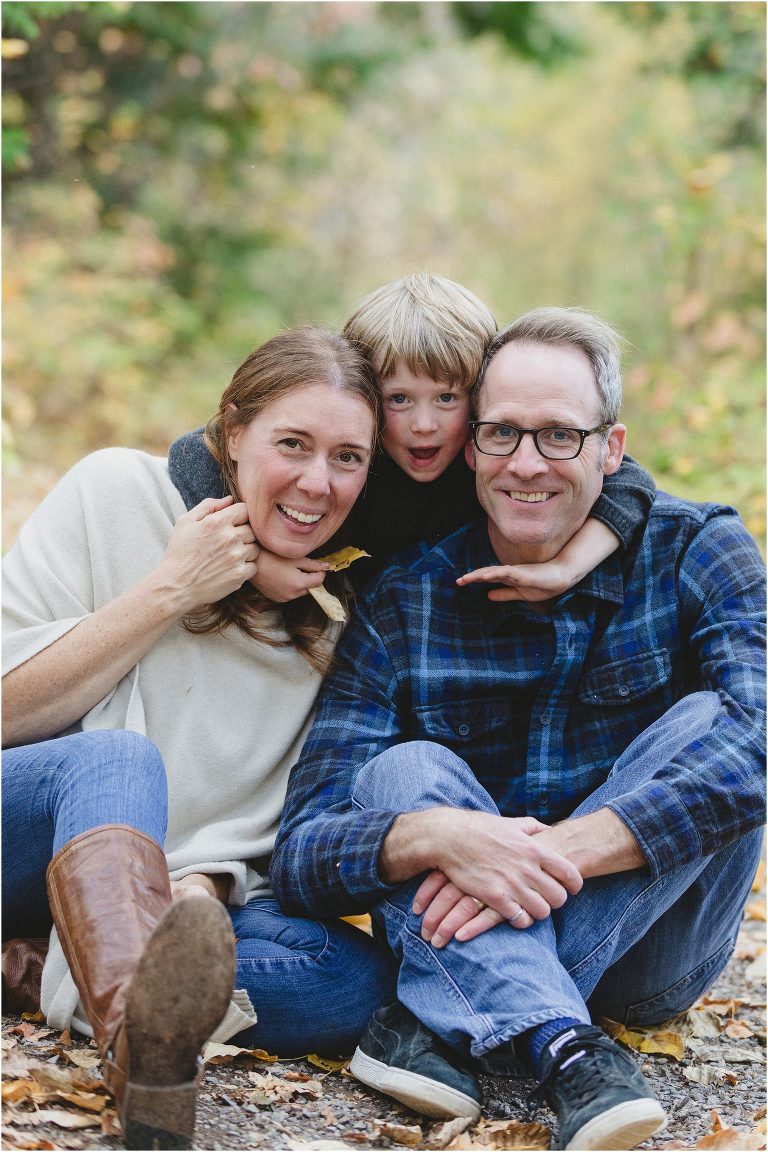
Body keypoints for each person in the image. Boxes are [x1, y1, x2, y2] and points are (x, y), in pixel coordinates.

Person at [270, 308, 766, 1151]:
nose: (526, 464)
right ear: (469, 450)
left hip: (648, 961)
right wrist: (432, 835)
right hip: (466, 931)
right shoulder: (405, 603)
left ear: (612, 452)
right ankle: (560, 1044)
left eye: (559, 437)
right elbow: (302, 853)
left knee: (715, 720)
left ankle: (451, 1012)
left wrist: (563, 851)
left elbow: (759, 741)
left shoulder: (695, 550)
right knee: (408, 775)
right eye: (501, 434)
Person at [1, 326, 397, 1150]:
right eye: (292, 444)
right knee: (116, 759)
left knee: (354, 983)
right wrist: (171, 588)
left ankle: (57, 970)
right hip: (23, 828)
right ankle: (141, 1049)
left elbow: (254, 833)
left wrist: (198, 891)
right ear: (231, 433)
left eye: (348, 458)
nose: (316, 482)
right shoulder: (115, 492)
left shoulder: (336, 627)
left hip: (145, 894)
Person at [168, 273, 657, 604]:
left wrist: (569, 566)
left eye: (447, 399)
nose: (424, 425)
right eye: (398, 400)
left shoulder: (492, 461)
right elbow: (195, 451)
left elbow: (629, 479)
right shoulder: (345, 466)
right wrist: (259, 560)